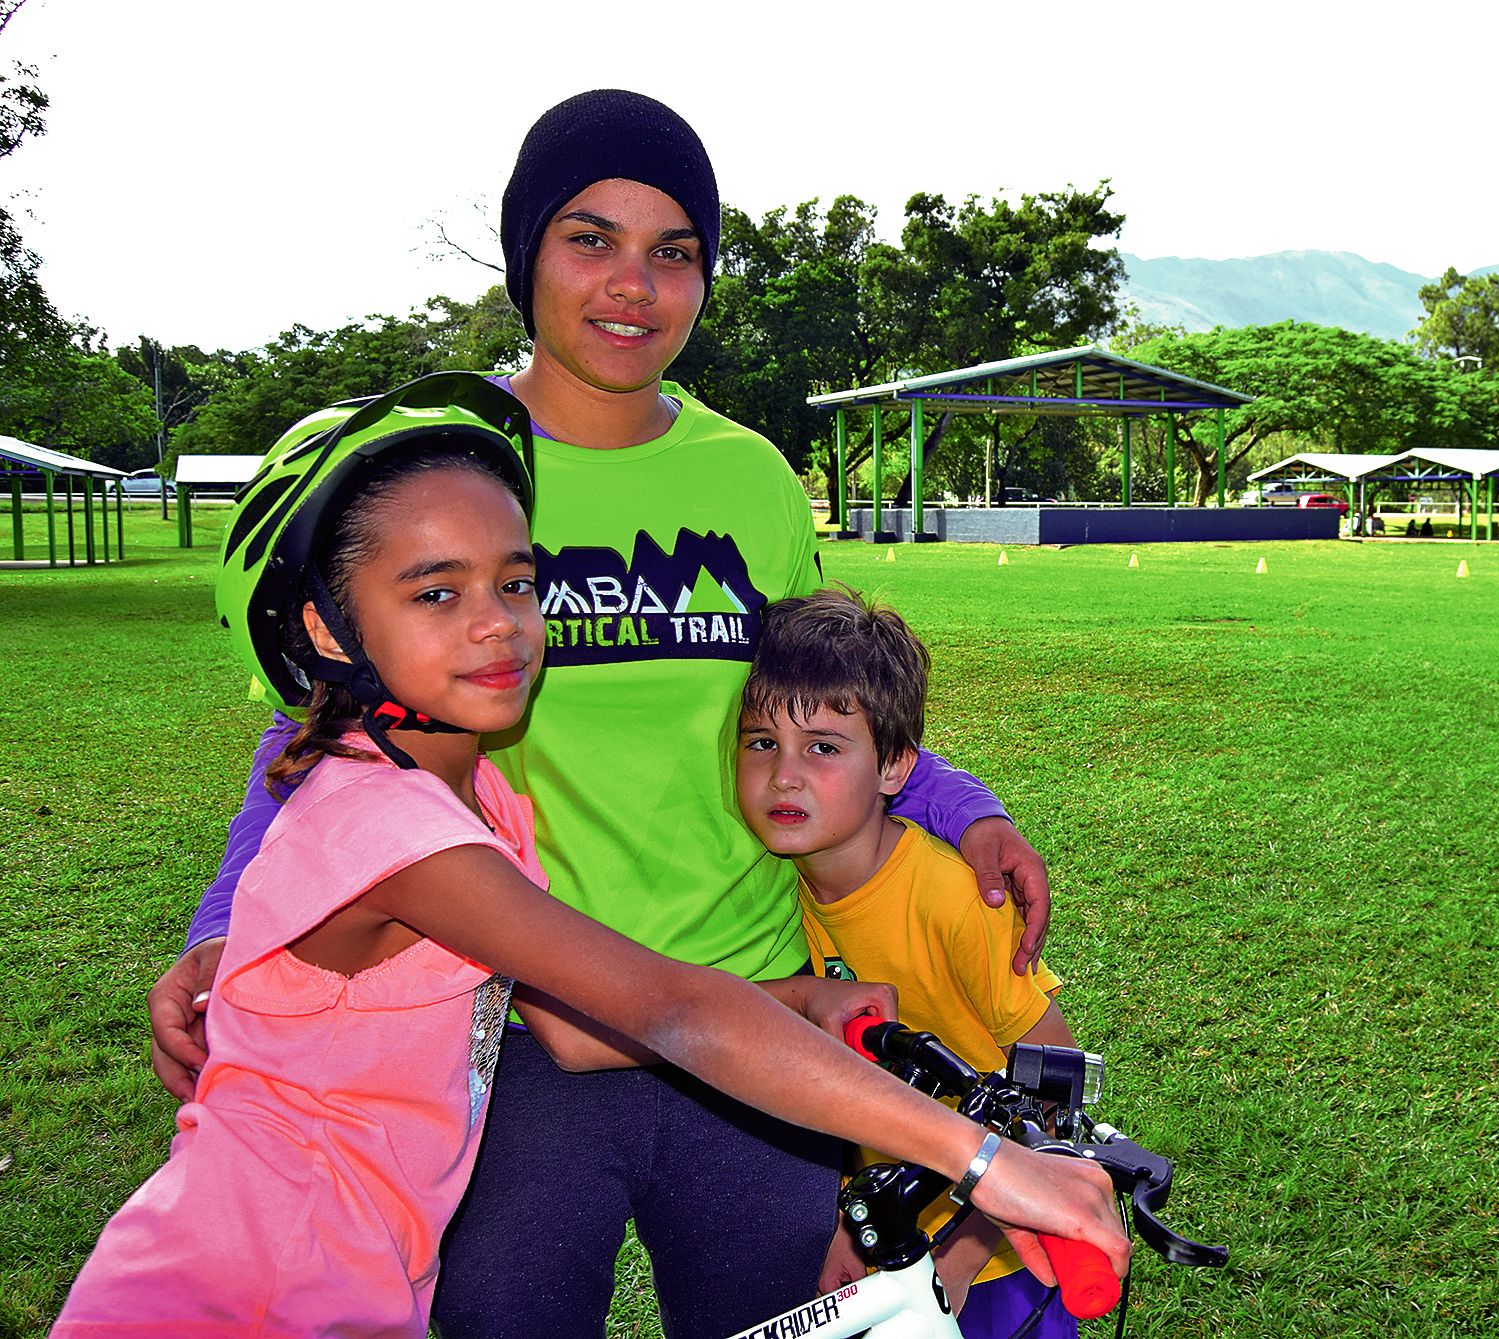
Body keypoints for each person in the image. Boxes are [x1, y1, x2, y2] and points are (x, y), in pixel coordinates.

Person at [144, 90, 1059, 1338]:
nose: (633, 285)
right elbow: (320, 742)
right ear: (527, 255)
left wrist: (967, 810)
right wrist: (220, 933)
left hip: (759, 1007)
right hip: (520, 1030)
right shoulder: (444, 475)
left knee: (783, 1319)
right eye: (590, 239)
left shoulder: (747, 479)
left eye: (672, 252)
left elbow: (819, 704)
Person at [58, 381, 1125, 1337]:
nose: (498, 627)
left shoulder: (480, 802)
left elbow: (574, 1031)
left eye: (516, 583)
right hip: (239, 1291)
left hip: (348, 1281)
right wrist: (981, 1157)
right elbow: (664, 1005)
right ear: (327, 630)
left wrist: (797, 997)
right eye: (437, 593)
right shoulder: (387, 827)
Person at [737, 589, 1078, 1339]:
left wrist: (963, 1248)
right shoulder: (766, 902)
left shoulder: (955, 897)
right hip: (889, 1251)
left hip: (1002, 1258)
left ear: (894, 765)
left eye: (823, 746)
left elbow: (1053, 1081)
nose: (783, 775)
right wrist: (851, 1221)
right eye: (761, 741)